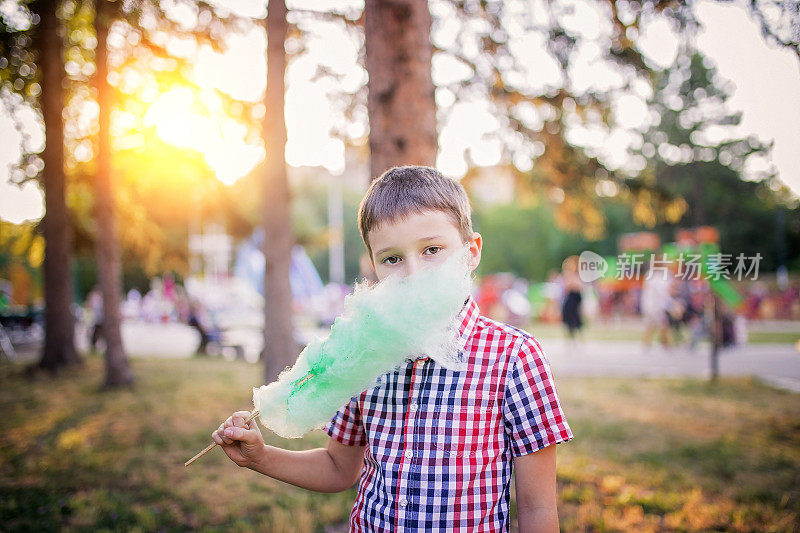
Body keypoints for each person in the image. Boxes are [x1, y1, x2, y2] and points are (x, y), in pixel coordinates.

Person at [211, 166, 573, 531]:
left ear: (471, 251)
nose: (414, 273)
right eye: (392, 258)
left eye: (432, 249)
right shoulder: (361, 355)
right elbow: (339, 468)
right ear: (374, 267)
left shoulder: (515, 357)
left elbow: (537, 509)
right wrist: (260, 457)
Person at [559, 256, 583, 340]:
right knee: (569, 315)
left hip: (574, 296)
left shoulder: (576, 275)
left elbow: (576, 286)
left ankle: (576, 335)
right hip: (571, 296)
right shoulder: (569, 275)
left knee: (574, 316)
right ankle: (571, 335)